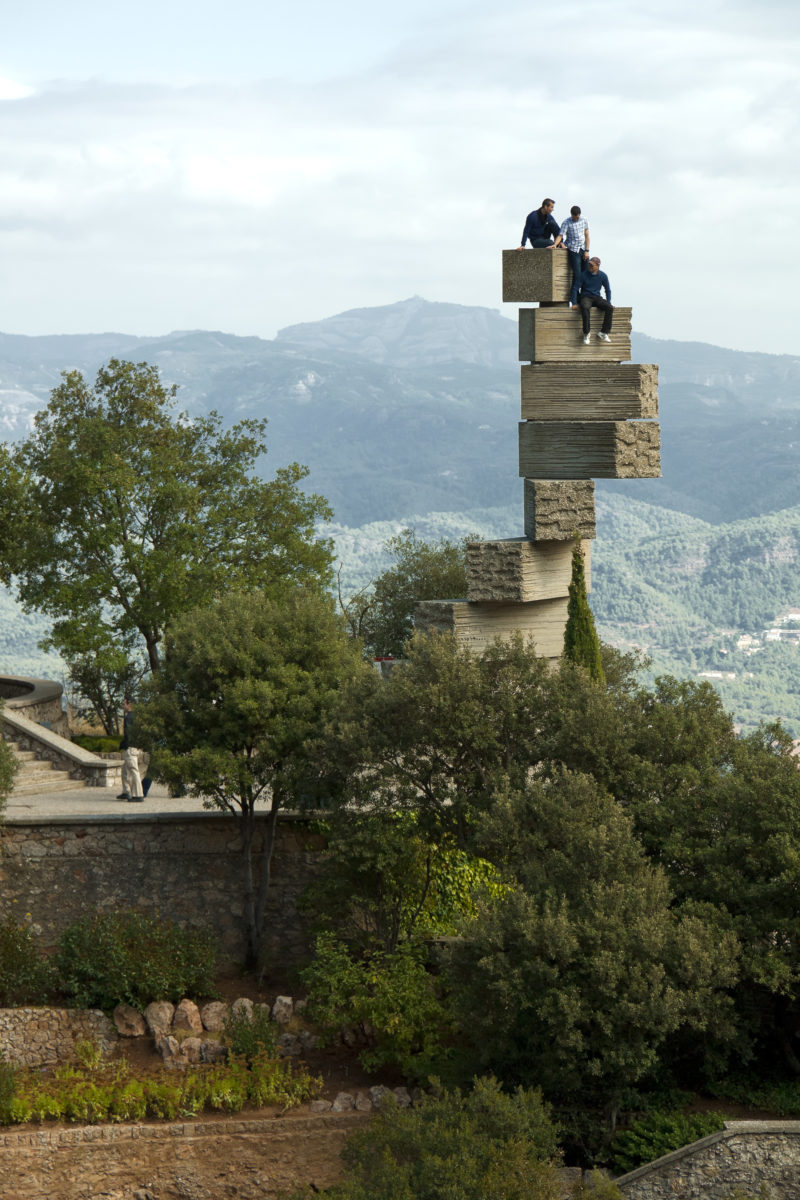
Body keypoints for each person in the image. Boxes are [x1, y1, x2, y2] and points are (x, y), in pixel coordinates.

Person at [576, 257, 614, 345]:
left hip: (597, 297)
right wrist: (574, 303)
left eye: (592, 265)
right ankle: (586, 333)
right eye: (589, 265)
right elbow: (575, 288)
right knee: (585, 307)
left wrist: (609, 302)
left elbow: (607, 290)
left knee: (609, 308)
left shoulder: (603, 275)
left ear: (597, 266)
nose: (589, 267)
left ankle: (603, 333)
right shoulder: (583, 275)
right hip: (586, 297)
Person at [117, 695, 145, 802]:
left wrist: (126, 745)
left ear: (130, 704)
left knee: (133, 771)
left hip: (131, 747)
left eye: (124, 704)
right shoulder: (137, 717)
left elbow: (128, 734)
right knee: (125, 771)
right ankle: (126, 792)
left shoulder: (129, 717)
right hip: (134, 747)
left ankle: (138, 795)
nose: (122, 706)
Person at [559, 206, 590, 304]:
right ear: (571, 214)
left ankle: (585, 298)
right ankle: (574, 301)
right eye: (574, 217)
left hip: (582, 249)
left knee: (586, 274)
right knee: (577, 276)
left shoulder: (584, 220)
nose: (576, 218)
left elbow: (587, 236)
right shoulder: (566, 222)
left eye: (577, 217)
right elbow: (560, 235)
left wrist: (587, 250)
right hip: (573, 250)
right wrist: (558, 244)